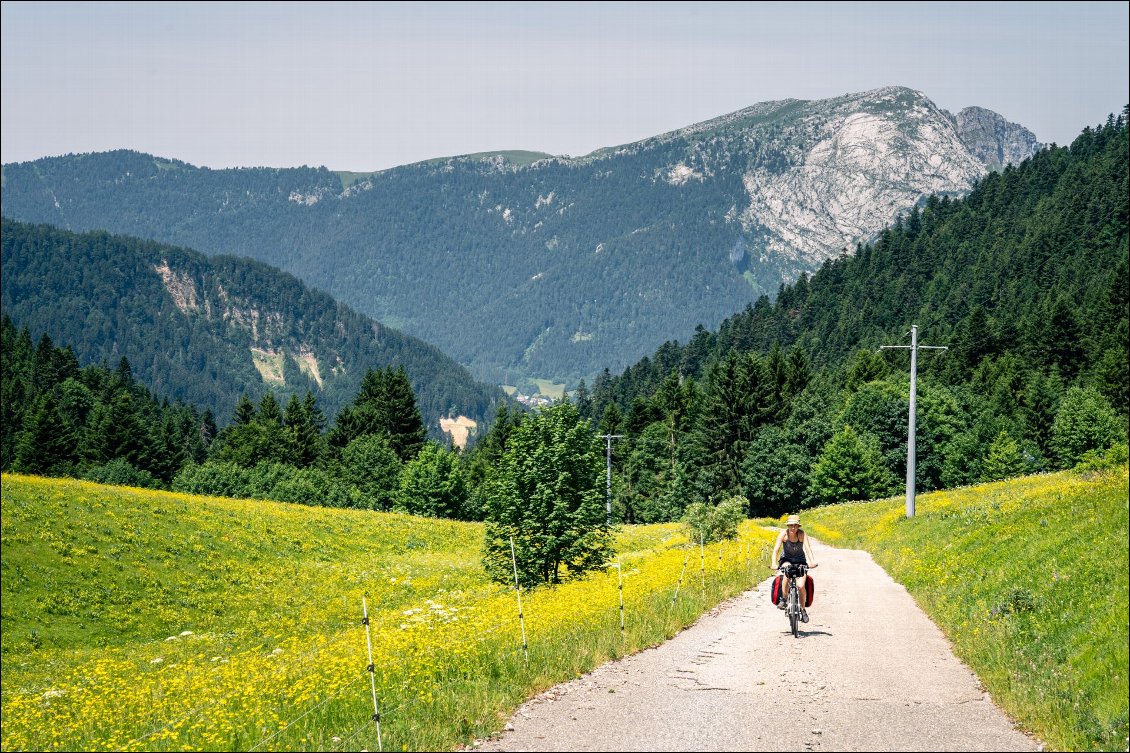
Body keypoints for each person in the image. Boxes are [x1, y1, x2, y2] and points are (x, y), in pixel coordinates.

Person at [770, 514, 818, 622]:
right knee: (787, 573)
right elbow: (776, 549)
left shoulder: (801, 534)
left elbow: (808, 548)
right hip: (786, 559)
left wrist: (811, 562)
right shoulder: (783, 535)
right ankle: (784, 598)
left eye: (795, 526)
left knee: (801, 586)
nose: (793, 528)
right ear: (787, 526)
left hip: (800, 561)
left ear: (798, 526)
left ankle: (802, 609)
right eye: (791, 525)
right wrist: (774, 563)